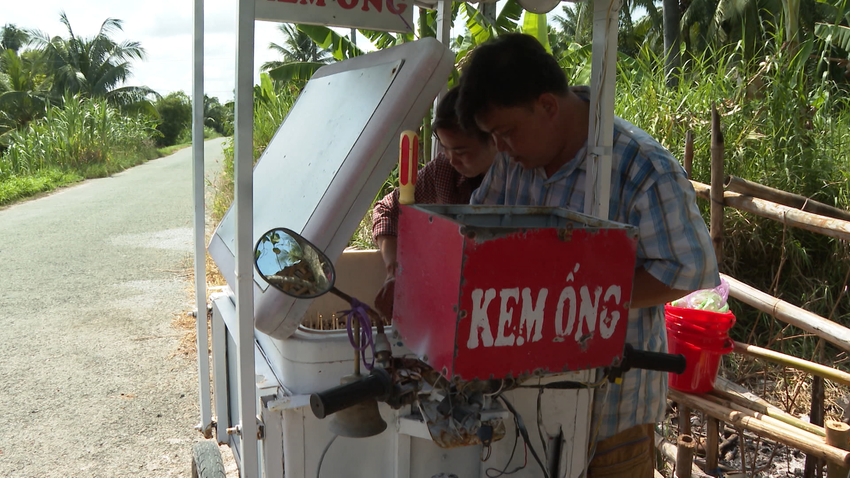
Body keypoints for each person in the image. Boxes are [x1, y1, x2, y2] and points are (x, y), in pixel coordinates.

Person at [455, 33, 720, 477]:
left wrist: (579, 302)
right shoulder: (512, 160)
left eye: (507, 133)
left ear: (547, 106)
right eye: (493, 137)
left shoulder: (640, 166)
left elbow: (689, 269)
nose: (500, 148)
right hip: (521, 401)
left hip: (611, 415)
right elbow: (477, 232)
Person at [371, 86, 500, 318]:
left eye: (461, 151)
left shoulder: (520, 180)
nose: (452, 160)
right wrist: (393, 271)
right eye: (445, 148)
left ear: (494, 139)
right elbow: (386, 209)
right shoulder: (443, 171)